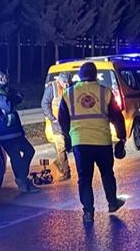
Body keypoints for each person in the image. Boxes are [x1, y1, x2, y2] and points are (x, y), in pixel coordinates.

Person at [57, 61, 126, 222]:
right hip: (102, 141)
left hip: (80, 143)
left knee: (84, 179)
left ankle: (88, 212)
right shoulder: (105, 92)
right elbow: (117, 117)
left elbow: (62, 119)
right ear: (95, 75)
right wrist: (122, 138)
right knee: (107, 173)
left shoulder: (69, 93)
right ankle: (112, 202)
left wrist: (69, 138)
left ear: (80, 76)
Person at [0, 66, 39, 193]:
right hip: (3, 131)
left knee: (29, 151)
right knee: (16, 156)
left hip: (12, 130)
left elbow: (19, 96)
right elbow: (8, 106)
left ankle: (22, 178)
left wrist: (13, 97)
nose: (7, 79)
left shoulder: (1, 88)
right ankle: (23, 182)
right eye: (4, 77)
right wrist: (13, 98)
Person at [40, 71, 73, 182]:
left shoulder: (71, 87)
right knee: (61, 148)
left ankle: (59, 163)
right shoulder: (52, 88)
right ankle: (66, 172)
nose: (67, 85)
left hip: (68, 123)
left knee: (68, 147)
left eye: (68, 82)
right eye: (64, 83)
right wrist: (52, 118)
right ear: (59, 80)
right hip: (57, 124)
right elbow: (44, 104)